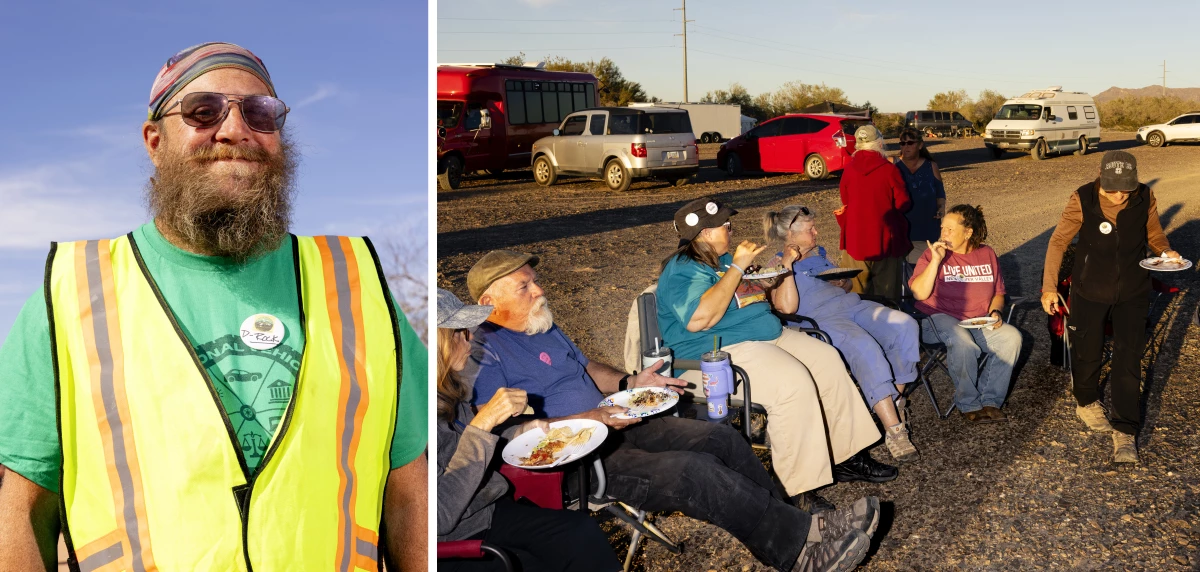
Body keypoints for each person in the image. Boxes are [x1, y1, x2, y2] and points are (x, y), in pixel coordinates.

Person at [0, 43, 428, 571]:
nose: (234, 129)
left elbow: (408, 488)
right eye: (203, 111)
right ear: (154, 141)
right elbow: (21, 508)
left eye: (261, 112)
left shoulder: (356, 279)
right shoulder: (69, 292)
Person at [464, 250, 880, 572]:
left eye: (535, 283)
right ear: (488, 301)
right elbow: (505, 432)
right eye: (525, 287)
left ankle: (802, 526)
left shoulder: (542, 325)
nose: (540, 292)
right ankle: (799, 553)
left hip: (613, 421)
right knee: (691, 472)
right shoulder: (482, 352)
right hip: (572, 463)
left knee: (720, 437)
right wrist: (591, 419)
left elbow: (586, 367)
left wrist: (630, 383)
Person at [656, 197, 898, 510]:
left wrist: (781, 270)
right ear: (704, 234)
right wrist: (739, 268)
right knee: (792, 382)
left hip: (765, 335)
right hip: (715, 352)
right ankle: (798, 490)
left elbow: (764, 299)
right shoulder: (682, 269)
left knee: (826, 360)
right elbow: (699, 318)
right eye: (723, 224)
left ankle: (845, 455)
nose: (730, 227)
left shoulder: (726, 259)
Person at [435, 289, 620, 572]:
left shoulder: (446, 391)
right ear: (436, 343)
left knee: (581, 532)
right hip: (454, 541)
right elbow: (439, 516)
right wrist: (483, 423)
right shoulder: (409, 420)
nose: (470, 339)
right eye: (460, 332)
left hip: (489, 511)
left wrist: (520, 432)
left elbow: (466, 447)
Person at [1040, 151, 1181, 464]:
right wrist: (1049, 287)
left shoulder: (1145, 196)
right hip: (1089, 289)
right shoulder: (1082, 198)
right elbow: (1058, 242)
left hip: (1134, 289)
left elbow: (1154, 232)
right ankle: (1086, 400)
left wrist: (1166, 250)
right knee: (1087, 352)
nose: (1119, 195)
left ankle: (1125, 430)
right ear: (1100, 177)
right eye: (1113, 188)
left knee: (1128, 359)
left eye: (1125, 189)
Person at [763, 206, 921, 462]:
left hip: (853, 306)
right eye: (810, 229)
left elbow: (846, 285)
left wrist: (842, 282)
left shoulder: (819, 253)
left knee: (904, 325)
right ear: (790, 234)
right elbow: (786, 307)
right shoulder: (774, 264)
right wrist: (787, 265)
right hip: (822, 320)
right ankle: (895, 430)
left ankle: (893, 399)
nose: (816, 232)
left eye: (814, 226)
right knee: (864, 346)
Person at [908, 204, 1022, 423]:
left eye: (950, 229)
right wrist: (935, 261)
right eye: (942, 228)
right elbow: (919, 294)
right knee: (962, 342)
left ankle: (990, 401)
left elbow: (999, 293)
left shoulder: (986, 253)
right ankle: (968, 403)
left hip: (977, 321)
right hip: (937, 319)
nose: (943, 233)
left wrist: (996, 311)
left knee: (1012, 338)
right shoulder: (933, 255)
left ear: (968, 232)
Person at [835, 125, 912, 301]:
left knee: (854, 293)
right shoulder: (889, 169)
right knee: (886, 296)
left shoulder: (849, 169)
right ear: (879, 142)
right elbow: (903, 203)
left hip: (855, 240)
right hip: (886, 240)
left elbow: (845, 200)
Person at [894, 128, 946, 265]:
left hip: (926, 226)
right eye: (902, 143)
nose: (906, 147)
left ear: (920, 145)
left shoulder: (931, 165)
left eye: (910, 143)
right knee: (900, 269)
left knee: (924, 265)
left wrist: (941, 208)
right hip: (901, 226)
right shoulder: (893, 164)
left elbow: (940, 192)